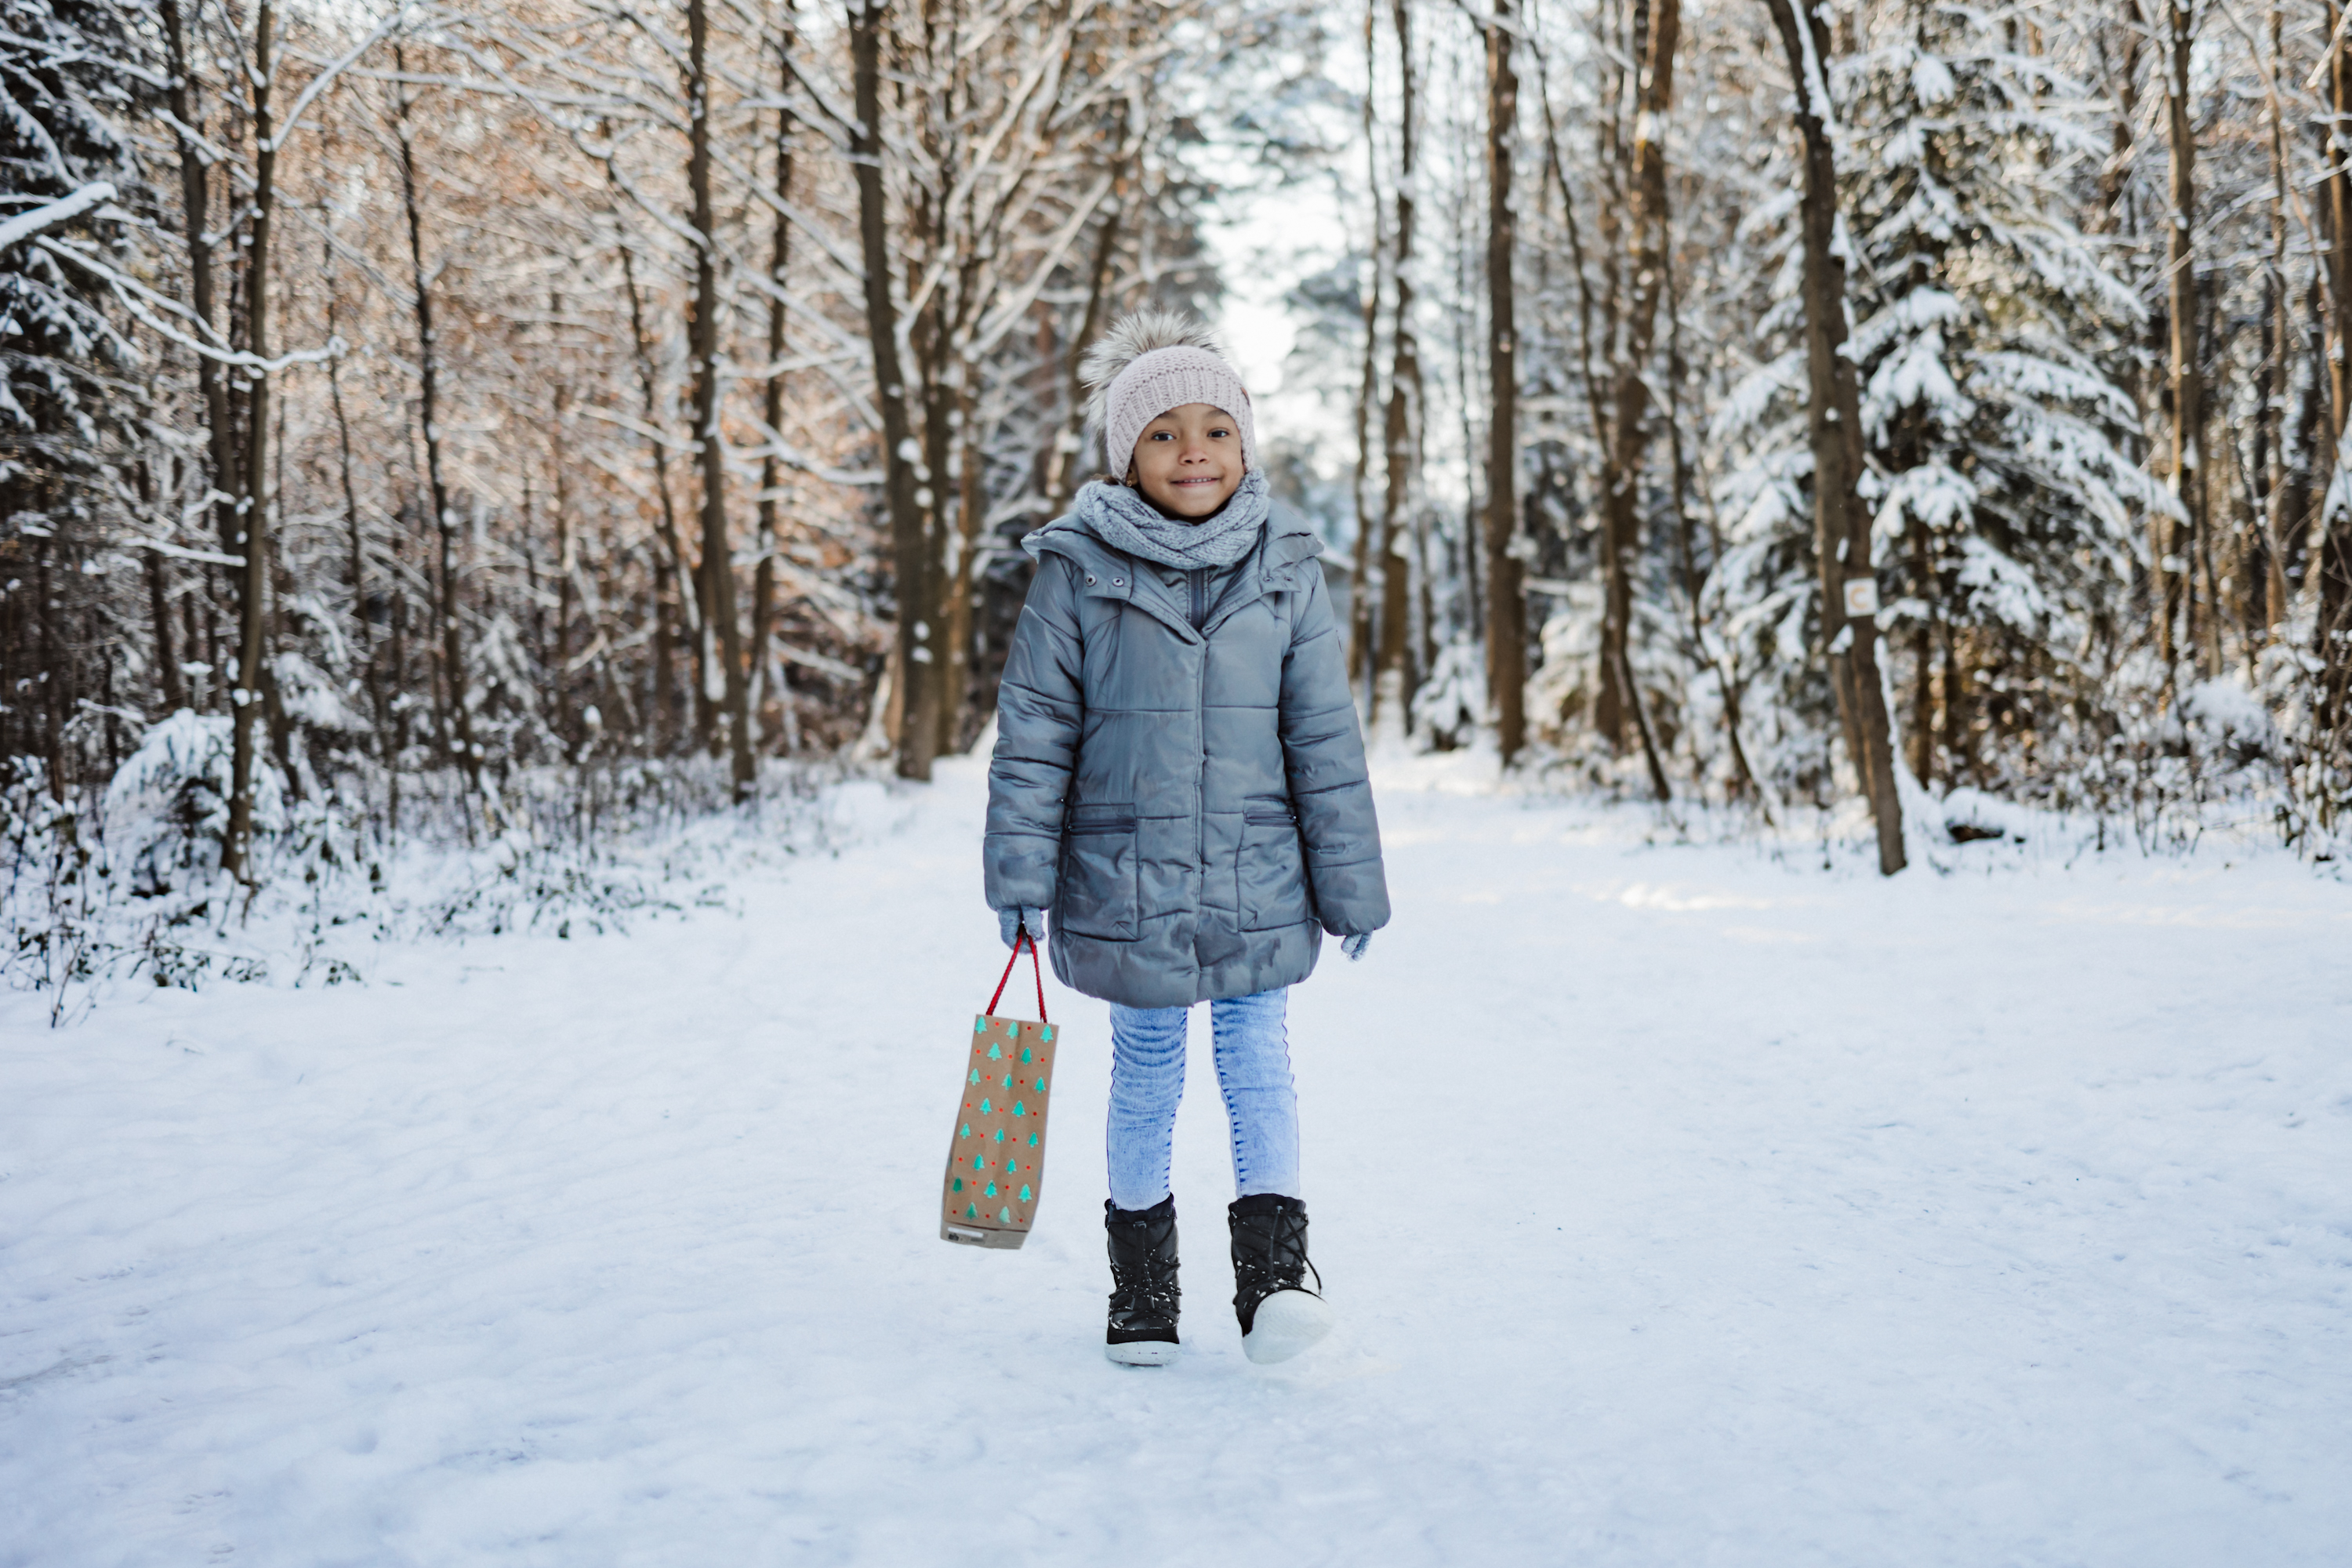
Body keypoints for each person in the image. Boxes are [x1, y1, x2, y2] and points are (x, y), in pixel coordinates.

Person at [982, 310, 1391, 1367]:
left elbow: (1322, 735)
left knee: (1258, 1062)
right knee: (1147, 1070)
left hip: (1260, 866)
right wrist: (1020, 877)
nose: (1193, 448)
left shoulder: (1287, 568)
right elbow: (1034, 733)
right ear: (1126, 457)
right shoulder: (1076, 573)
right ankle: (1143, 1293)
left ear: (1246, 444)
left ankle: (1274, 1281)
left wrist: (1349, 883)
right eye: (1163, 432)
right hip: (1125, 870)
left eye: (1215, 426)